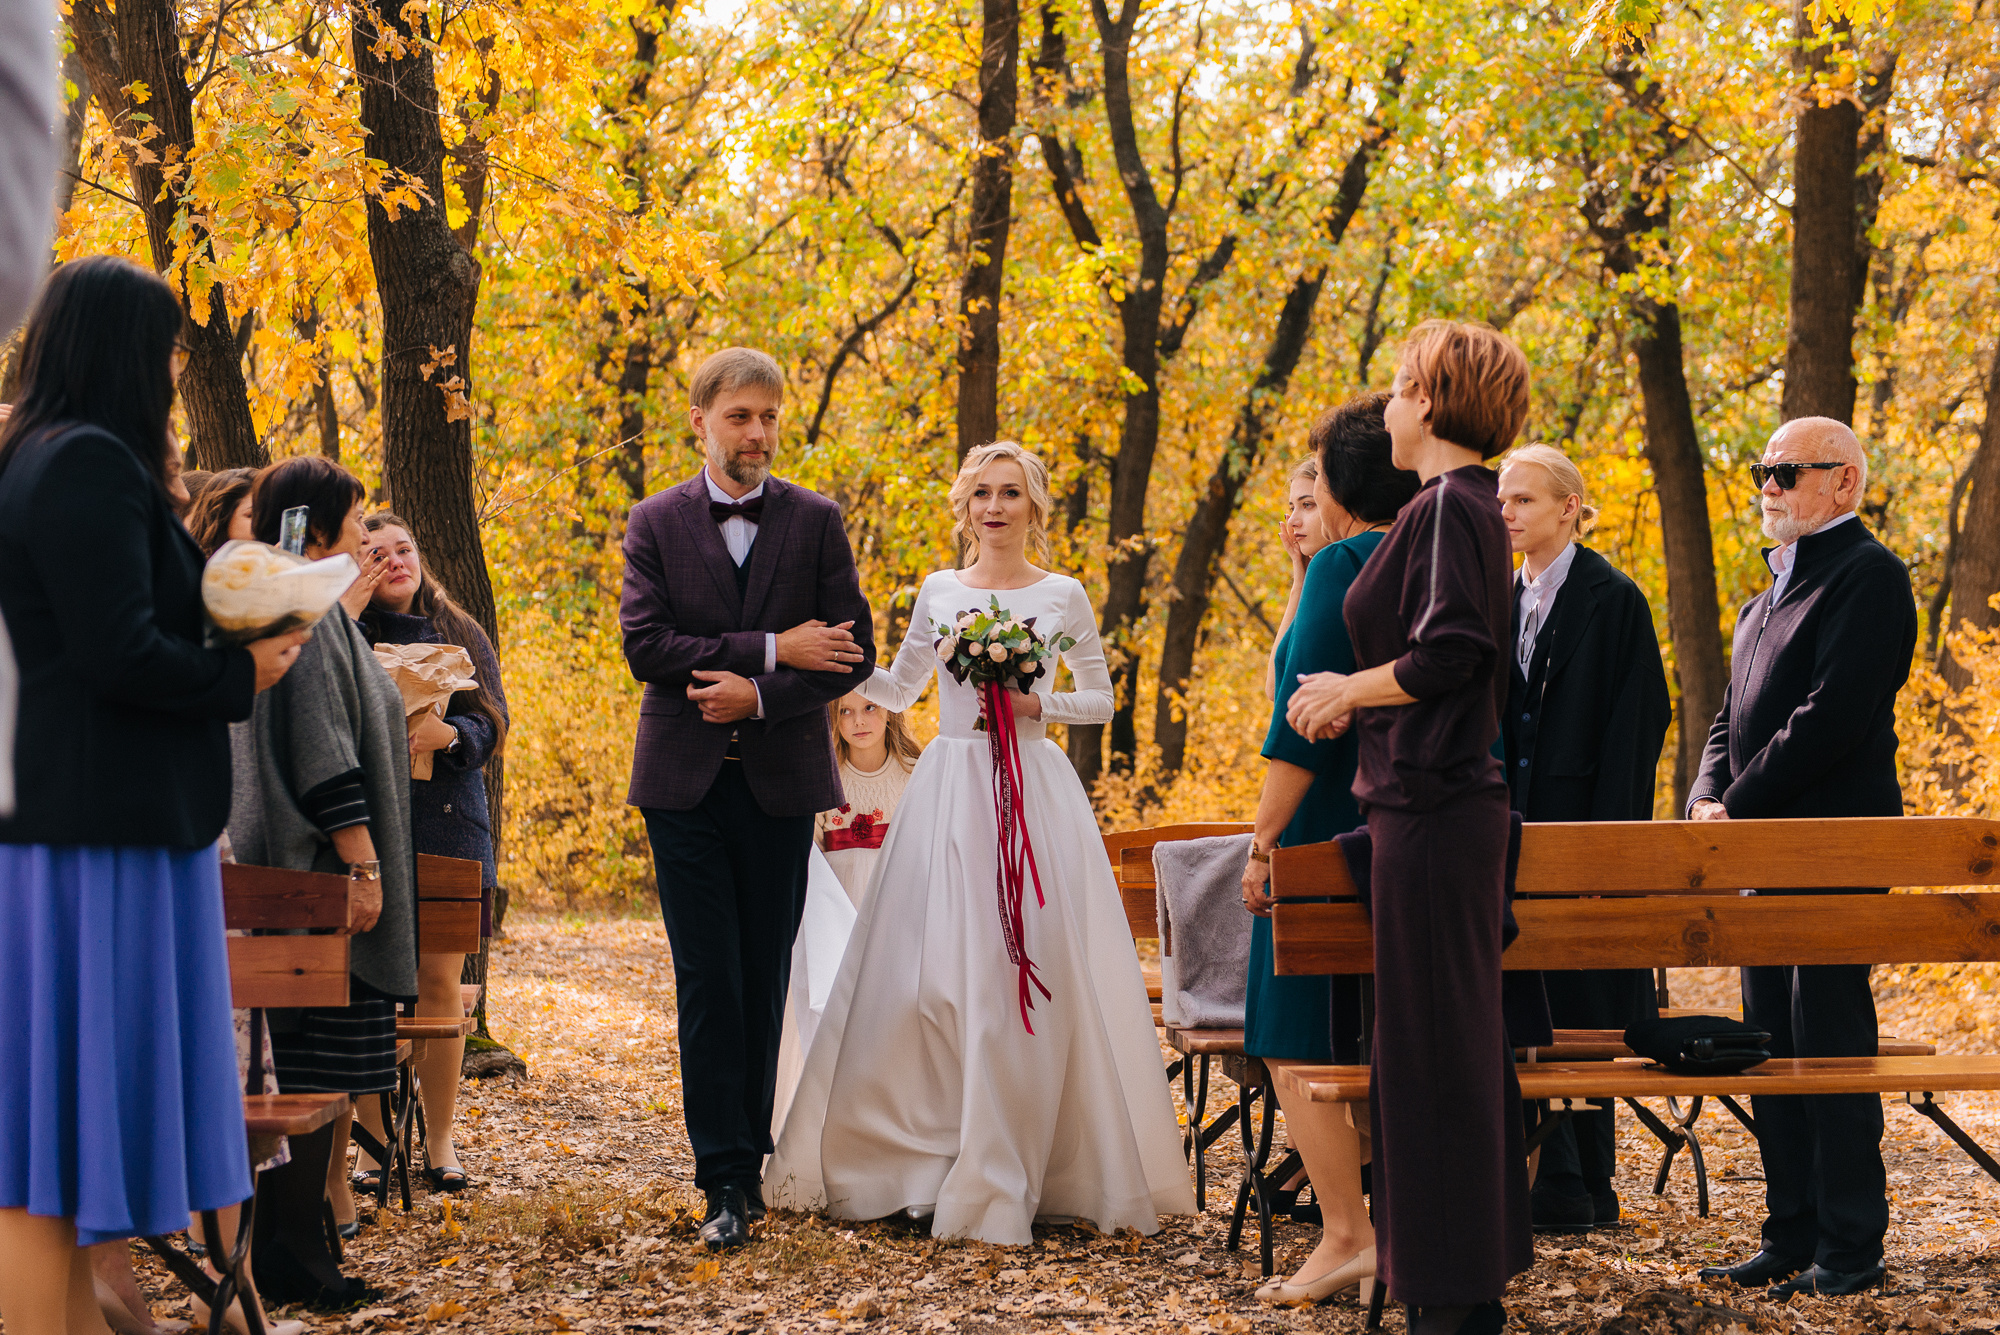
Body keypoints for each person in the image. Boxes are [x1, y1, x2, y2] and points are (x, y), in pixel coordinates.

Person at [766, 441, 1196, 1244]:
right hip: (951, 790)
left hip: (1033, 793)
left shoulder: (1063, 594)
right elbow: (899, 689)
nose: (994, 508)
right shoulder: (938, 589)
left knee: (1021, 986)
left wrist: (1039, 707)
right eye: (981, 495)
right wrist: (835, 663)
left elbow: (1099, 698)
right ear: (965, 507)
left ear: (1033, 506)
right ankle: (931, 1158)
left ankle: (1028, 1165)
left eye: (1010, 494)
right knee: (933, 981)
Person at [0, 257, 309, 1335]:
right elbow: (113, 649)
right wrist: (245, 673)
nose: (178, 370)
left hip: (96, 821)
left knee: (76, 1123)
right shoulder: (84, 463)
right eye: (168, 347)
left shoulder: (45, 457)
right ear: (125, 350)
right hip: (105, 836)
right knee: (73, 1119)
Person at [1287, 320, 1533, 1335]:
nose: (1384, 407)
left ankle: (1449, 1301)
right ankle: (1451, 1287)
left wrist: (1346, 690)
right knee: (1431, 1058)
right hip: (1416, 817)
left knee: (1433, 1063)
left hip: (1433, 814)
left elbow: (1452, 654)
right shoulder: (1453, 509)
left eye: (1395, 389)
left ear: (1428, 402)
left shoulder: (1446, 509)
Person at [620, 346, 876, 1252]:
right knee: (707, 978)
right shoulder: (654, 521)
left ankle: (753, 1166)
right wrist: (771, 652)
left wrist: (760, 697)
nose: (758, 432)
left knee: (763, 972)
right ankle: (720, 1176)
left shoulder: (815, 519)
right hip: (682, 784)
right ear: (701, 420)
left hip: (779, 784)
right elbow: (648, 644)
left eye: (769, 415)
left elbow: (853, 652)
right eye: (740, 416)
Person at [1691, 418, 1915, 1300]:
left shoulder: (1869, 577)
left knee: (1827, 1045)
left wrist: (1734, 805)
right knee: (1768, 1050)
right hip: (1758, 851)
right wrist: (1710, 797)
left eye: (1788, 470)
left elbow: (1832, 717)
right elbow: (1726, 718)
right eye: (1762, 470)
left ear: (1845, 484)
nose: (1769, 484)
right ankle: (1790, 1233)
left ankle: (1852, 1248)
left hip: (1830, 850)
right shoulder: (1761, 602)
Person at [1242, 393, 1418, 1306]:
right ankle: (1389, 1229)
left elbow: (1297, 724)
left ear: (1344, 482)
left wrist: (1263, 841)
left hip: (1323, 829)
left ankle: (1348, 1232)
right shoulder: (1441, 557)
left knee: (1287, 1030)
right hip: (1408, 823)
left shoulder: (1346, 560)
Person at [229, 455, 413, 1306]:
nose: (363, 525)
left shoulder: (313, 600)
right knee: (309, 1067)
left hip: (321, 885)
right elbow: (323, 752)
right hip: (313, 888)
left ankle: (303, 1253)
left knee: (327, 1073)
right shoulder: (294, 600)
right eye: (353, 513)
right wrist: (362, 862)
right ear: (325, 517)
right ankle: (291, 1263)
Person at [1495, 444, 1670, 1232]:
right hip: (1511, 833)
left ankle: (1586, 1179)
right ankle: (1552, 1172)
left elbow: (1637, 727)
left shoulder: (1614, 598)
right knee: (1530, 996)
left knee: (1588, 995)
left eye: (1525, 501)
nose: (1509, 514)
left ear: (1569, 506)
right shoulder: (1500, 598)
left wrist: (1609, 851)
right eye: (1504, 501)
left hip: (1587, 830)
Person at [352, 513, 510, 1195]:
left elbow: (493, 719)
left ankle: (441, 1141)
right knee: (368, 992)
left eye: (404, 548)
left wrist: (449, 735)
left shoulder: (458, 629)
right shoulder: (345, 631)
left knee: (441, 986)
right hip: (368, 831)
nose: (395, 561)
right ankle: (370, 1144)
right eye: (377, 552)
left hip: (449, 826)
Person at [816, 691, 922, 907]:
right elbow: (814, 852)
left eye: (870, 707)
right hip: (839, 904)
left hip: (901, 901)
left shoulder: (916, 774)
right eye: (845, 711)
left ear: (890, 711)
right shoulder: (824, 779)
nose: (859, 721)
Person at [1264, 456, 1331, 698]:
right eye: (1292, 508)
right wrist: (1299, 581)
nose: (1292, 521)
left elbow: (1275, 688)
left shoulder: (1335, 569)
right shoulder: (1317, 574)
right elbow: (1273, 687)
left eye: (1308, 505)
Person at [186, 466, 260, 556]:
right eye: (251, 515)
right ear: (221, 517)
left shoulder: (277, 561)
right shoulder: (193, 566)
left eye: (270, 514)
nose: (265, 522)